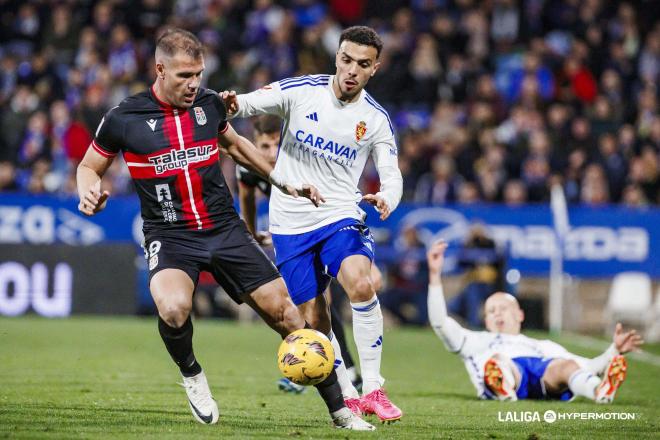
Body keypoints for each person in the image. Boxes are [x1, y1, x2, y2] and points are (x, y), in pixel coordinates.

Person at [76, 28, 374, 431]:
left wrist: (284, 182)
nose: (194, 83)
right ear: (160, 70)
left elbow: (236, 146)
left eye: (198, 73)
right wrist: (88, 193)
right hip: (171, 234)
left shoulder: (209, 105)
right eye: (184, 76)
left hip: (224, 228)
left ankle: (341, 412)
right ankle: (192, 374)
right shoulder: (123, 118)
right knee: (173, 307)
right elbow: (89, 167)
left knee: (287, 314)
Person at [222, 26, 403, 422]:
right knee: (315, 318)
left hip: (339, 214)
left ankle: (374, 387)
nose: (352, 70)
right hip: (290, 224)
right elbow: (250, 104)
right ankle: (350, 393)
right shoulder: (303, 90)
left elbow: (392, 173)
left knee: (361, 280)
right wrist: (230, 103)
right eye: (346, 60)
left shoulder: (374, 119)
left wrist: (388, 197)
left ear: (375, 68)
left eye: (363, 64)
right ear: (337, 57)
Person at [234, 114, 373, 394]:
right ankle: (335, 368)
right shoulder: (247, 166)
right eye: (264, 146)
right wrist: (252, 234)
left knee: (322, 301)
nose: (272, 153)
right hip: (293, 235)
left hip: (325, 227)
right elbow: (246, 198)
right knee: (311, 305)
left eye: (276, 144)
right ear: (255, 144)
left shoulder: (301, 158)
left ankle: (329, 368)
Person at [426, 241, 643, 402]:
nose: (498, 314)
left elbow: (589, 366)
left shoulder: (542, 346)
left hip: (542, 376)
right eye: (491, 311)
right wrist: (435, 275)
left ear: (520, 315)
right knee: (499, 361)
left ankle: (600, 392)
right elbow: (440, 323)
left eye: (504, 308)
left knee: (566, 366)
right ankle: (503, 387)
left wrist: (615, 350)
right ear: (486, 319)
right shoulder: (475, 340)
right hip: (508, 368)